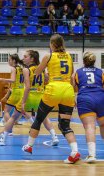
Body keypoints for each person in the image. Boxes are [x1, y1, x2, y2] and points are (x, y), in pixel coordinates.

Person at [22, 34, 80, 164]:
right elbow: (71, 75)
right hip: (67, 90)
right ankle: (75, 152)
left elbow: (37, 72)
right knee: (64, 125)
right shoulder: (70, 56)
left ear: (52, 44)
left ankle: (29, 146)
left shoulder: (48, 56)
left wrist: (46, 73)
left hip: (53, 90)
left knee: (39, 118)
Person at [0, 50, 59, 146]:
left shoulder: (26, 70)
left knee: (13, 117)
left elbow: (28, 87)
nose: (23, 58)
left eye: (25, 56)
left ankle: (3, 139)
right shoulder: (42, 68)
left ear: (32, 59)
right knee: (44, 118)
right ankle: (54, 136)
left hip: (30, 96)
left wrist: (23, 102)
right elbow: (47, 79)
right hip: (40, 96)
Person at [72, 52, 104, 163]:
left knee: (90, 127)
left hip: (85, 99)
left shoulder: (78, 72)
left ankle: (91, 155)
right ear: (94, 61)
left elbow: (75, 88)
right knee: (103, 125)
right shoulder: (101, 72)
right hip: (100, 97)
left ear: (84, 61)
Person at [0, 54, 24, 129]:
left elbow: (13, 80)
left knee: (6, 110)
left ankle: (9, 128)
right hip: (22, 91)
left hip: (16, 91)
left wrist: (1, 79)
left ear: (14, 60)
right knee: (19, 110)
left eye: (9, 60)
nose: (8, 61)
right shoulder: (21, 68)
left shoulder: (13, 69)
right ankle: (29, 122)